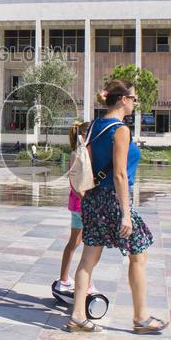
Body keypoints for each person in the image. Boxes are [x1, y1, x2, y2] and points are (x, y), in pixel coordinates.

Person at [65, 80, 166, 334]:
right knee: (139, 254)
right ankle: (141, 317)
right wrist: (125, 213)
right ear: (122, 99)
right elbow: (120, 174)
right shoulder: (120, 130)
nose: (134, 103)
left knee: (89, 257)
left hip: (92, 199)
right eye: (133, 99)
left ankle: (78, 315)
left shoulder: (95, 126)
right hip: (112, 199)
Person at [55, 122, 97, 297]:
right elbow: (77, 182)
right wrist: (87, 201)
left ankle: (64, 279)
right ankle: (86, 283)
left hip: (76, 203)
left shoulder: (75, 153)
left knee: (75, 242)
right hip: (83, 204)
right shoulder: (83, 153)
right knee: (90, 246)